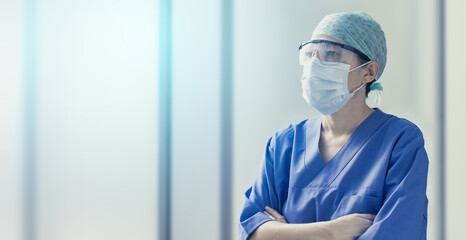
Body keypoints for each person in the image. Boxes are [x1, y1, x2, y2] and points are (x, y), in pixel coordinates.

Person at [238, 12, 428, 240]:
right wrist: (331, 231)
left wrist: (285, 233)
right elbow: (250, 232)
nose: (315, 65)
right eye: (309, 55)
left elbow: (397, 232)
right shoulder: (283, 145)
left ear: (368, 71)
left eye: (331, 54)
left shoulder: (400, 142)